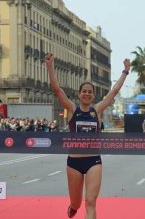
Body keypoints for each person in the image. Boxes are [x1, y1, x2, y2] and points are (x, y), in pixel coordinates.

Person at [46, 53, 130, 219]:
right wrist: (50, 67)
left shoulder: (96, 110)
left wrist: (125, 72)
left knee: (90, 201)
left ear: (93, 95)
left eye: (90, 92)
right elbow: (57, 90)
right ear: (79, 94)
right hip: (74, 162)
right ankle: (73, 207)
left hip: (93, 161)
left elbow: (113, 92)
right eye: (84, 91)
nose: (86, 94)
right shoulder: (72, 109)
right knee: (77, 203)